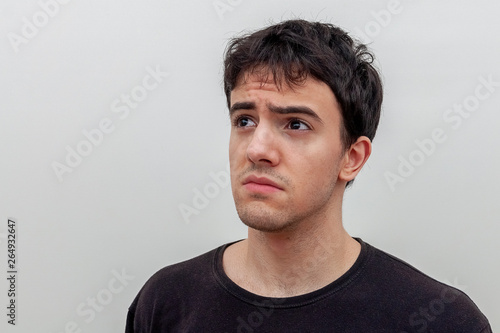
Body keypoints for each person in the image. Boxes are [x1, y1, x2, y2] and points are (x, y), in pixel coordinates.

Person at [125, 19, 491, 332]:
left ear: (352, 157)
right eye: (245, 121)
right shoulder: (166, 302)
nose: (257, 149)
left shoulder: (440, 320)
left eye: (296, 124)